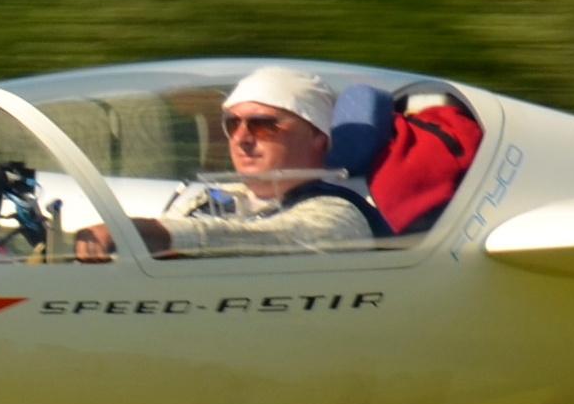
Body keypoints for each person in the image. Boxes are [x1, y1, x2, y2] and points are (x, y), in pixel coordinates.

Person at [74, 66, 381, 261]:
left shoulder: (339, 215)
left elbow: (264, 240)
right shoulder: (212, 198)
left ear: (317, 136)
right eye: (233, 124)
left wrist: (152, 232)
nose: (242, 138)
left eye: (262, 125)